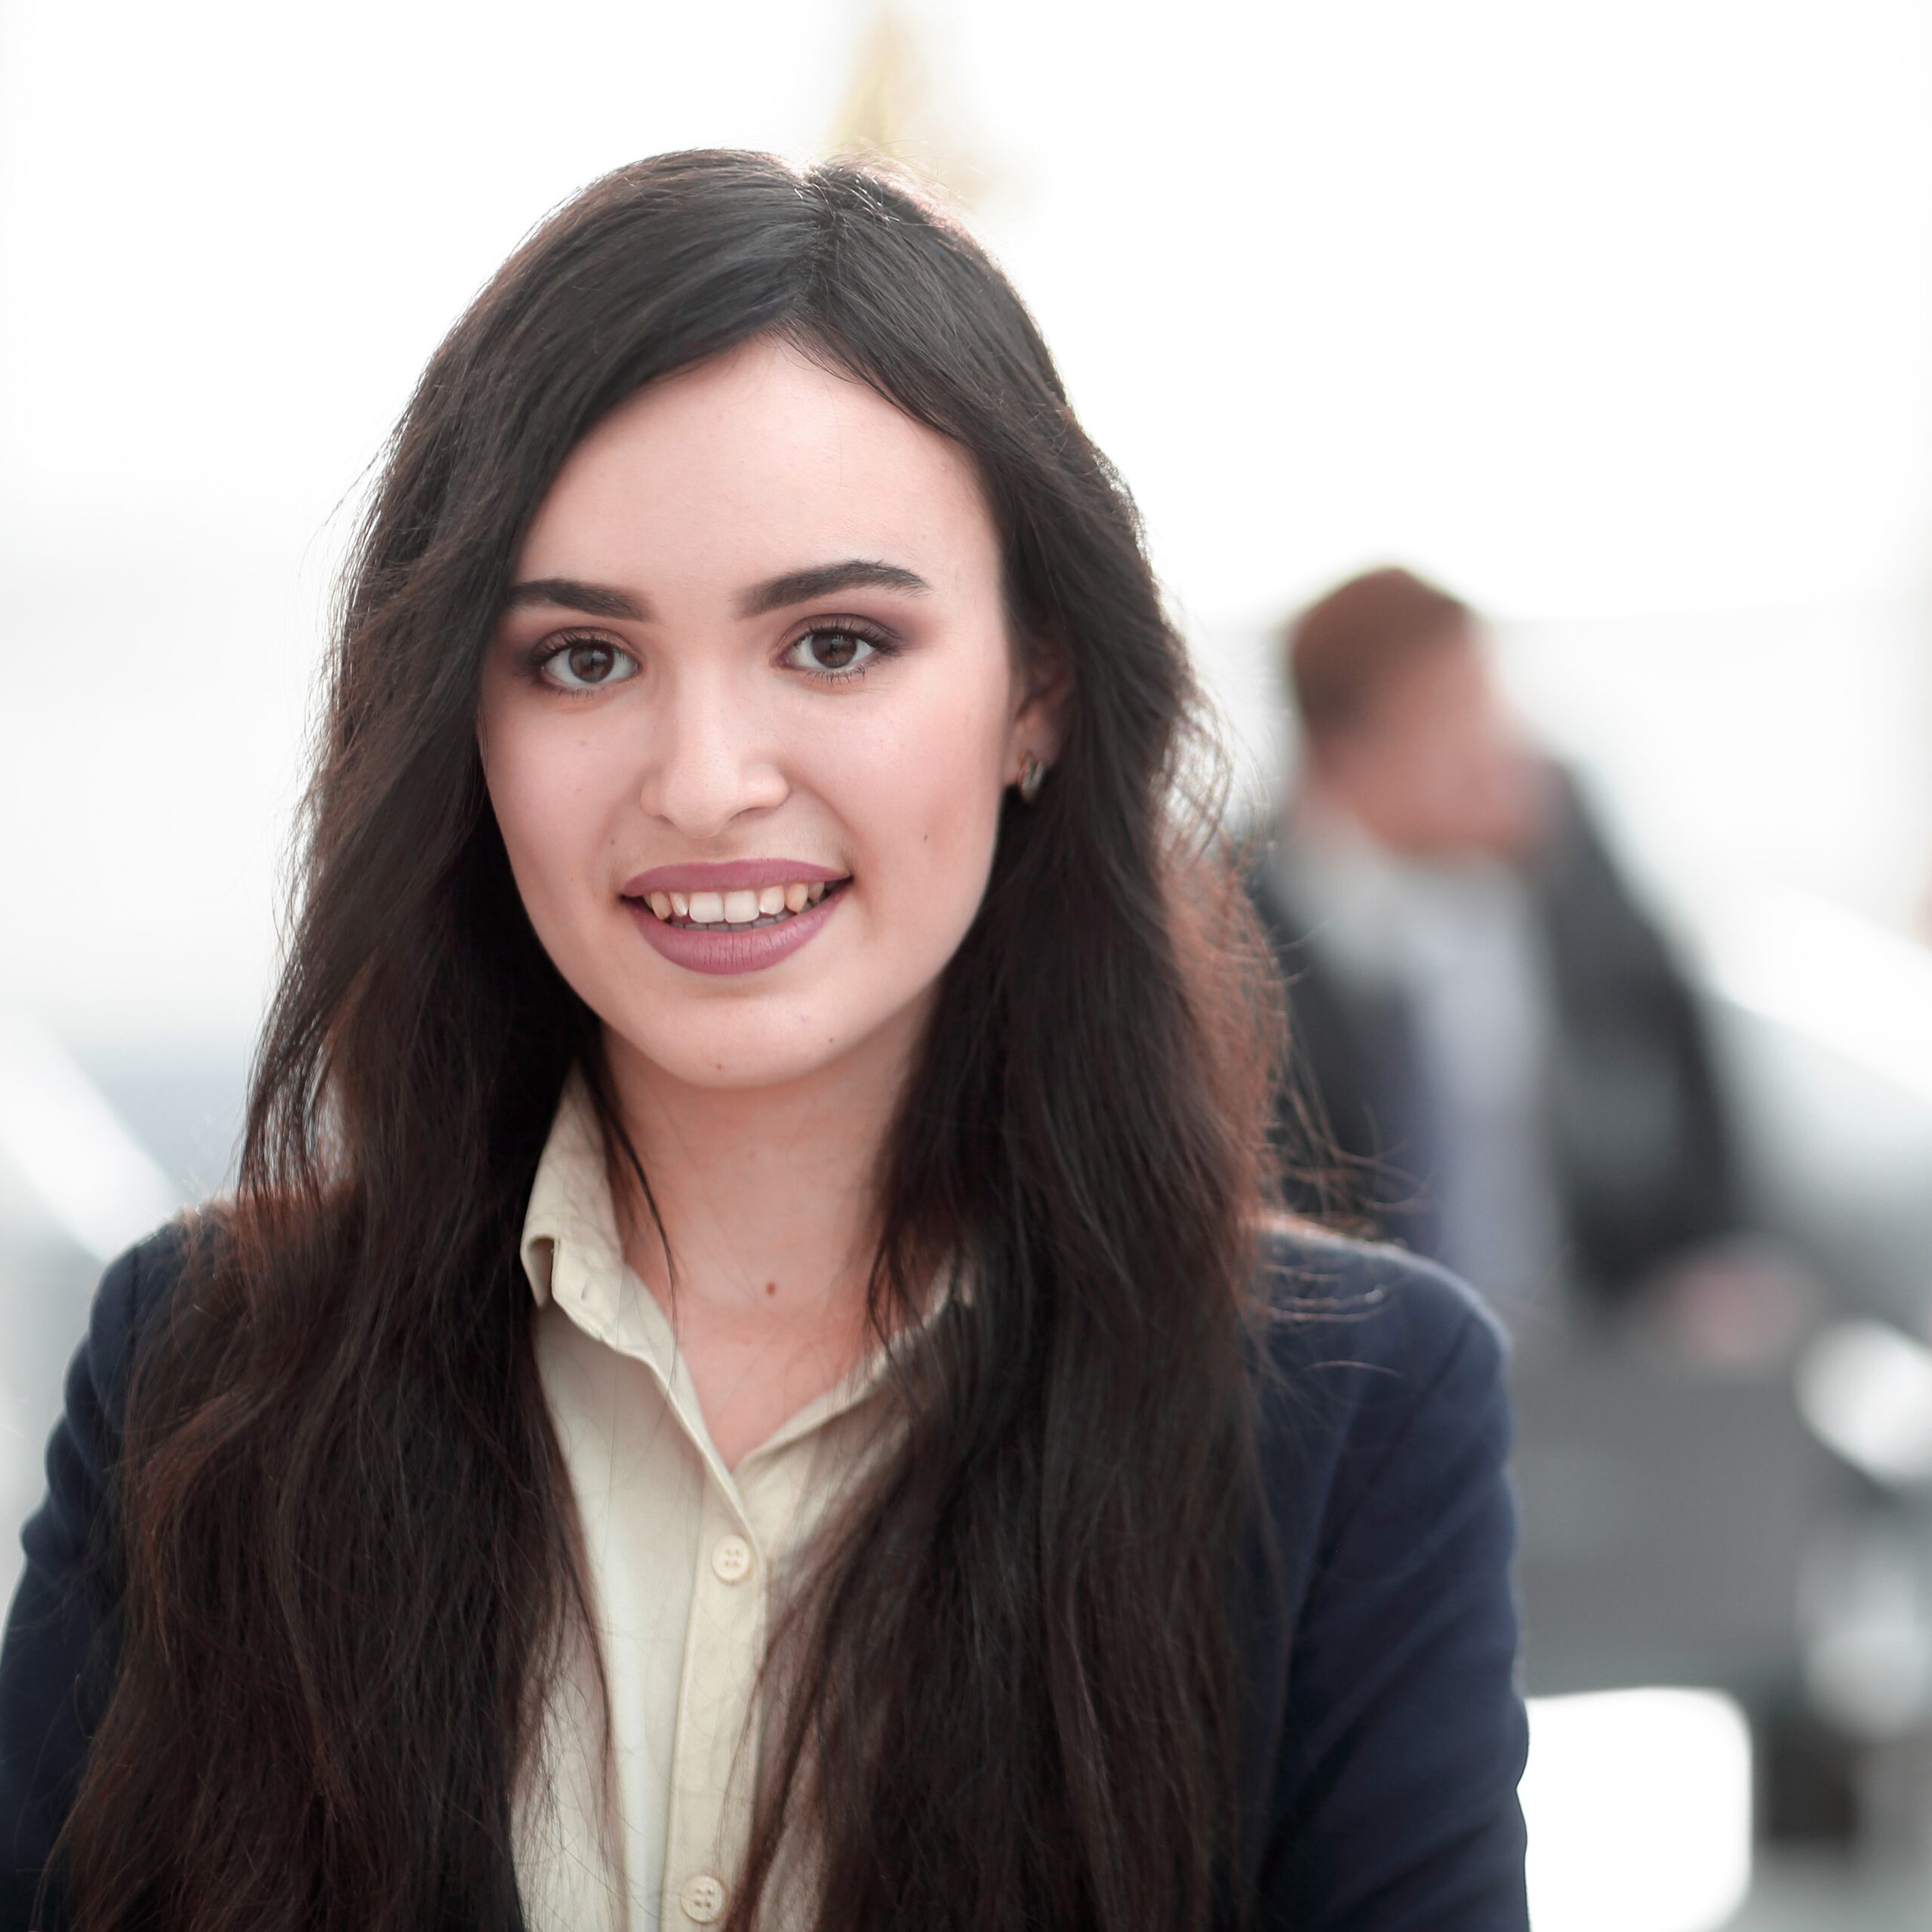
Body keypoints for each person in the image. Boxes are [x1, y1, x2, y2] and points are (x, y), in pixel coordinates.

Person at [0, 157, 1526, 1932]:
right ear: (459, 723)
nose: (707, 777)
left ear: (1035, 690)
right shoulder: (202, 1367)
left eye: (835, 641)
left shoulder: (1357, 1415)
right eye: (580, 658)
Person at [1250, 566, 1740, 1330]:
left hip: (1600, 1340)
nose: (1497, 747)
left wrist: (1712, 1253)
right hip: (1373, 1369)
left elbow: (1679, 1049)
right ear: (1345, 754)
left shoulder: (1563, 845)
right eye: (1453, 714)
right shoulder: (1238, 926)